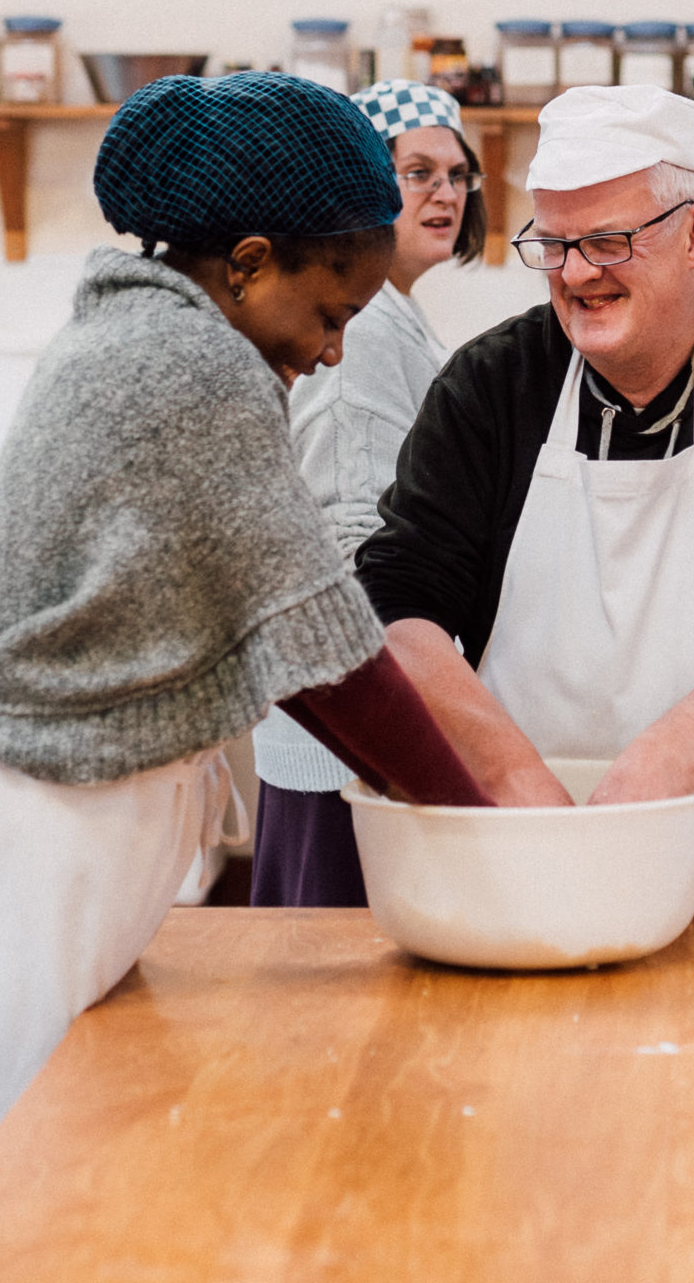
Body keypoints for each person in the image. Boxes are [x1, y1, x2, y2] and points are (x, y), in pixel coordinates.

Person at [0, 73, 489, 1271]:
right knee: (8, 1179)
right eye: (331, 307)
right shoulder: (187, 368)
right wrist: (484, 832)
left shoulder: (148, 328)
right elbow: (324, 653)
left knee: (31, 1153)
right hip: (52, 826)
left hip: (74, 809)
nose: (334, 346)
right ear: (250, 262)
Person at [356, 86, 694, 907]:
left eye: (607, 242)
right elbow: (401, 606)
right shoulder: (494, 384)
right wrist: (511, 776)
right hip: (537, 862)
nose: (576, 275)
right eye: (554, 244)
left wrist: (667, 761)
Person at [251, 80, 487, 906]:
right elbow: (356, 553)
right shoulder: (372, 329)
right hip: (345, 746)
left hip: (344, 728)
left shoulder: (396, 317)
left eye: (457, 175)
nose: (444, 193)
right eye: (416, 171)